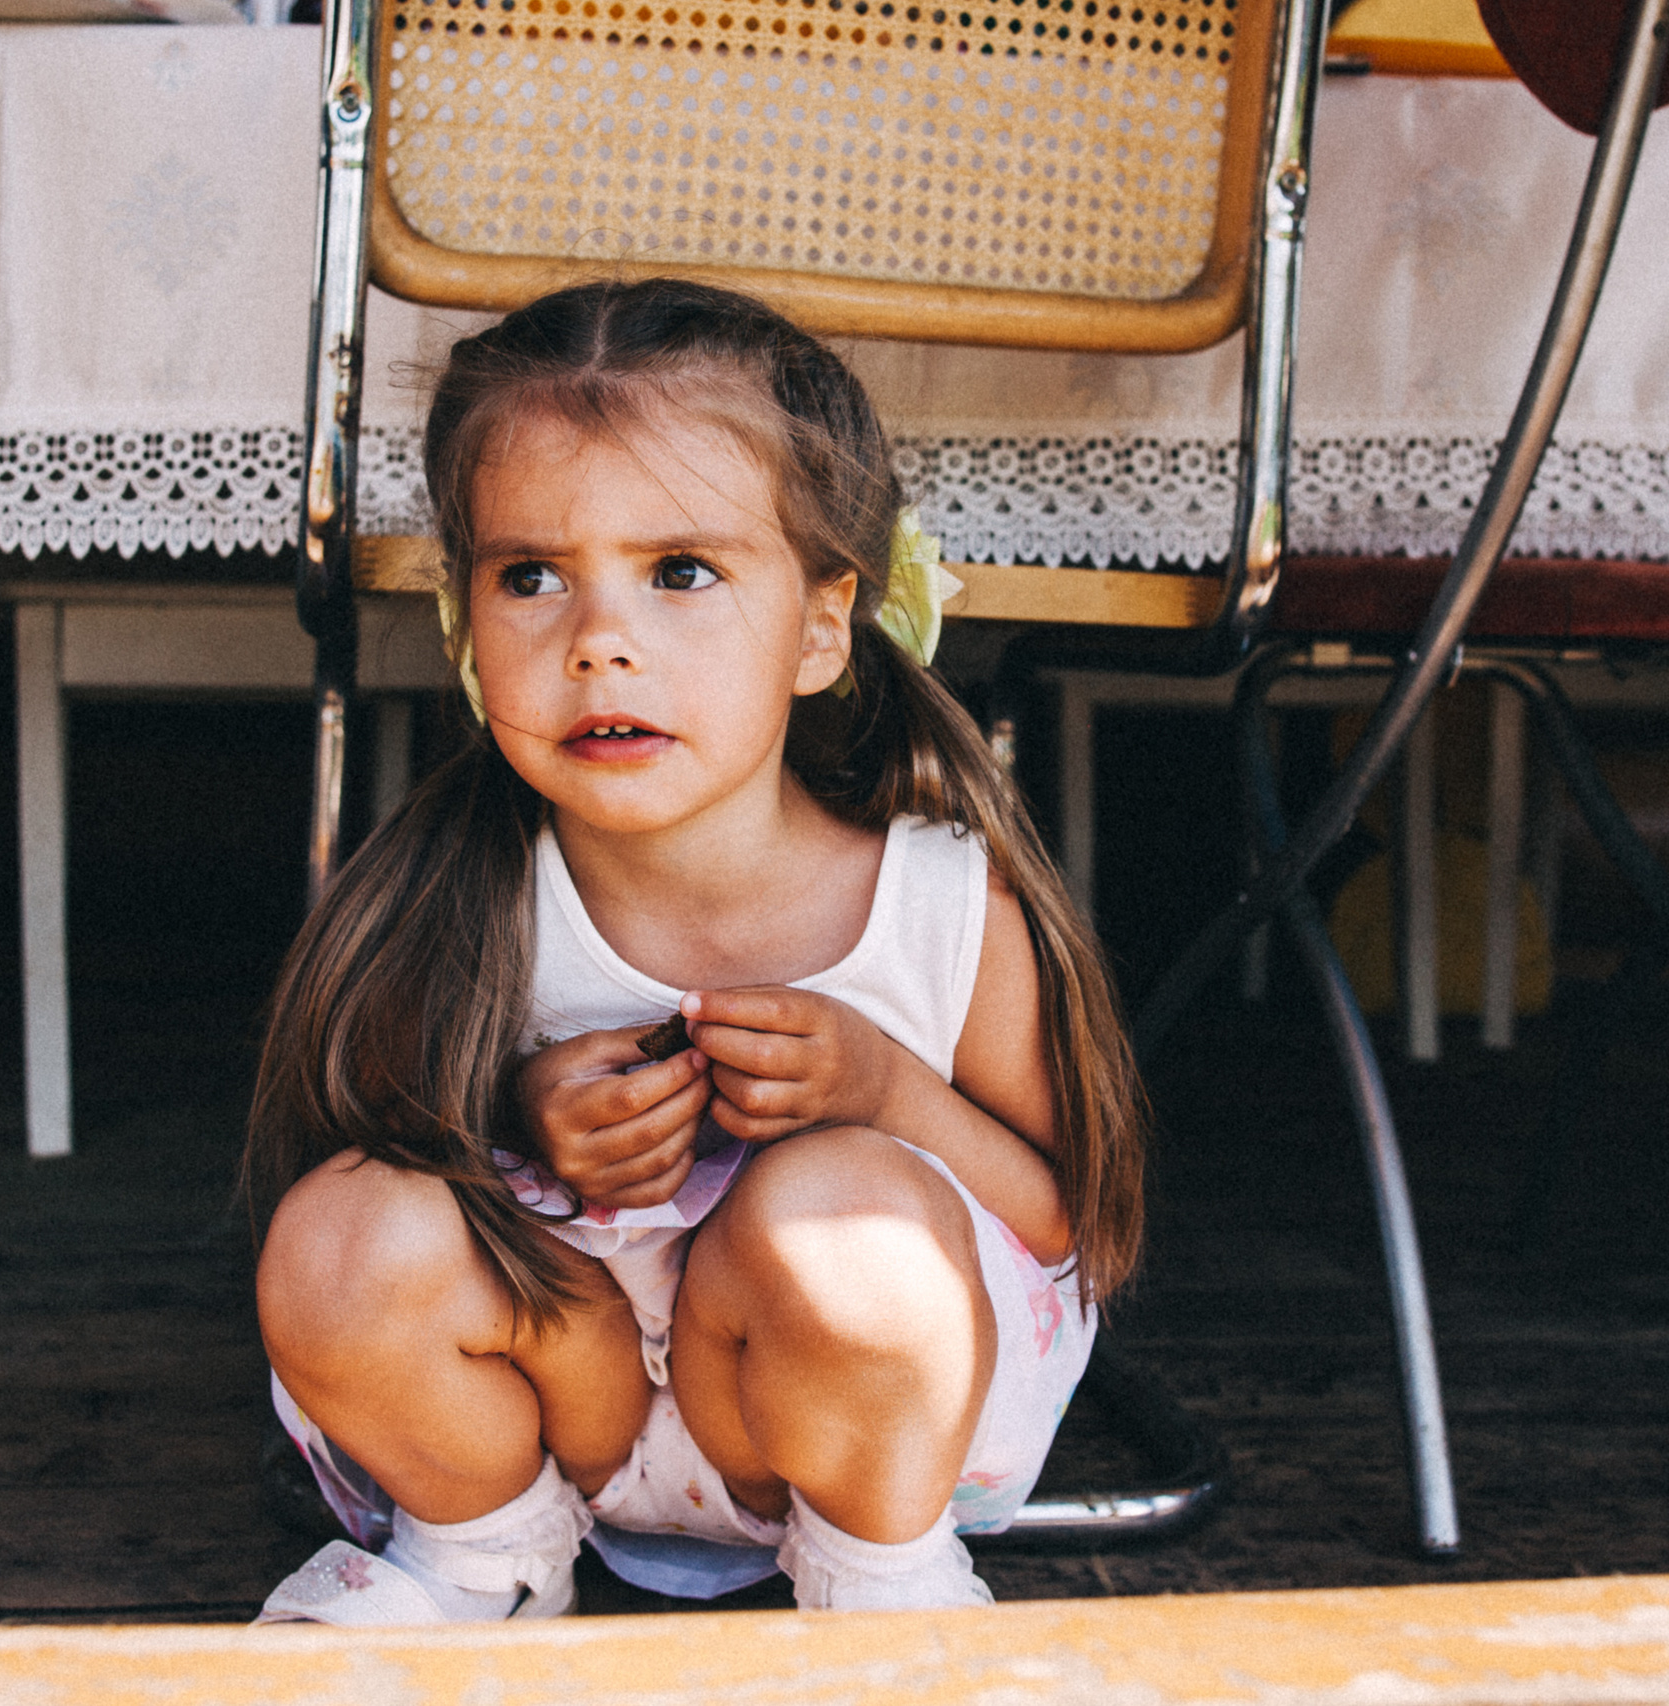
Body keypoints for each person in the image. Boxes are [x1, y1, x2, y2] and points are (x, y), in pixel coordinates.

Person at [240, 278, 1146, 1625]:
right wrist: (523, 1117)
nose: (599, 641)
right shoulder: (462, 890)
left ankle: (879, 1585)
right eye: (531, 575)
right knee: (336, 1234)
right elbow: (358, 1165)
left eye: (681, 572)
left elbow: (1063, 1219)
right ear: (469, 626)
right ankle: (483, 1560)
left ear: (825, 622)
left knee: (847, 1214)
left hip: (821, 1432)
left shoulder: (942, 910)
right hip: (554, 1417)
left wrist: (890, 1094)